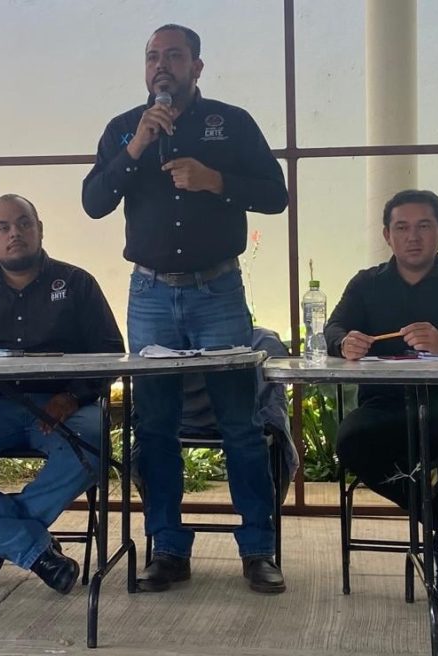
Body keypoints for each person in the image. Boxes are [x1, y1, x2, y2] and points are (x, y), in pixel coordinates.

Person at [82, 24, 287, 594]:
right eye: (152, 56)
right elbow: (94, 202)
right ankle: (168, 549)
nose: (161, 65)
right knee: (155, 427)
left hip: (217, 292)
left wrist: (215, 180)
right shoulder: (124, 128)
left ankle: (258, 550)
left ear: (197, 66)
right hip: (150, 296)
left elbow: (276, 194)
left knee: (241, 425)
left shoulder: (232, 122)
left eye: (173, 56)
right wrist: (135, 149)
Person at [0, 194, 124, 595]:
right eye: (3, 227)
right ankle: (29, 546)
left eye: (24, 223)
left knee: (94, 444)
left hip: (64, 405)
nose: (15, 233)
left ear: (39, 230)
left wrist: (73, 396)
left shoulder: (77, 283)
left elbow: (111, 352)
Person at [324, 189, 438, 606]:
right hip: (383, 404)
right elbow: (332, 328)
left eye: (424, 226)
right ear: (387, 235)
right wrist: (344, 342)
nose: (413, 237)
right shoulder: (366, 283)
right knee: (350, 441)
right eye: (402, 227)